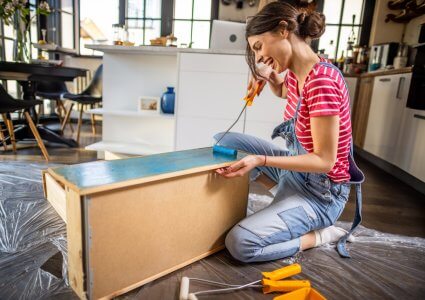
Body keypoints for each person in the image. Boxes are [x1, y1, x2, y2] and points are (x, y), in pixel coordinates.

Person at [214, 2, 364, 263]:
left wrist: (260, 160)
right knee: (224, 141)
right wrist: (269, 77)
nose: (259, 57)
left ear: (283, 30)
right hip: (298, 176)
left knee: (241, 244)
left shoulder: (321, 82)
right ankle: (283, 201)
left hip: (321, 194)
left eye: (259, 46)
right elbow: (285, 91)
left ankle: (320, 234)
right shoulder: (298, 72)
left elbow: (324, 161)